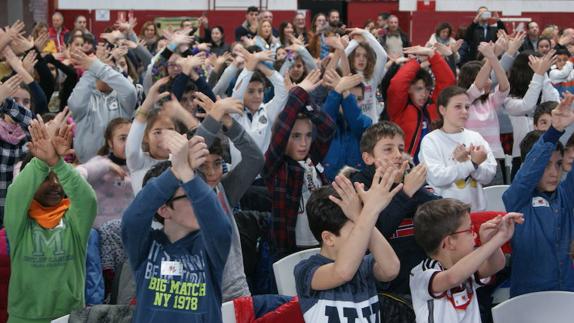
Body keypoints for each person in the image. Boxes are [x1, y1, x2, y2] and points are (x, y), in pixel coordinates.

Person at [121, 134, 232, 322]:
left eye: (198, 190)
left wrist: (187, 173)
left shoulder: (209, 247)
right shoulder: (146, 247)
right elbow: (132, 219)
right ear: (164, 209)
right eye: (190, 195)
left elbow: (220, 226)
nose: (199, 201)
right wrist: (175, 172)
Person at [4, 115, 97, 322]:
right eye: (46, 178)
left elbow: (88, 200)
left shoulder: (73, 219)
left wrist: (57, 163)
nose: (55, 184)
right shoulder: (19, 220)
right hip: (24, 317)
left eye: (58, 178)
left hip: (69, 316)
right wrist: (41, 162)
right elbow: (16, 194)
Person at [349, 121, 440, 322]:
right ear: (368, 158)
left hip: (423, 280)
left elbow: (441, 215)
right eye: (388, 149)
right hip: (386, 291)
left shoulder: (409, 181)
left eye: (400, 148)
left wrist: (408, 188)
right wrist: (405, 192)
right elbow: (374, 232)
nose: (398, 155)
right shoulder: (359, 187)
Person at [295, 168, 401, 322]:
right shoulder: (306, 270)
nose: (363, 234)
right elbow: (343, 272)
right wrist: (368, 212)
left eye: (363, 227)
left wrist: (360, 215)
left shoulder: (364, 265)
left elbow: (391, 268)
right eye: (356, 230)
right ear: (329, 238)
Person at [191, 94, 264, 301]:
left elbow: (255, 159)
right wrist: (215, 113)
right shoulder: (188, 193)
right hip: (205, 295)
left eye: (217, 163)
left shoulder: (223, 190)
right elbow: (188, 161)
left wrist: (228, 123)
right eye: (203, 166)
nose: (213, 172)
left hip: (238, 289)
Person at [502, 93, 574, 297]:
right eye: (546, 165)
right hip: (529, 298)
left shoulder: (566, 194)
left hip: (568, 293)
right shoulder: (516, 197)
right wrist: (554, 131)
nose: (554, 172)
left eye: (558, 164)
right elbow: (528, 174)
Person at [411, 198, 523, 323]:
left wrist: (490, 240)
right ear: (449, 242)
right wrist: (498, 240)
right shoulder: (421, 273)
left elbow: (496, 265)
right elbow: (452, 278)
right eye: (470, 230)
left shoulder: (466, 266)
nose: (474, 235)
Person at [262, 70, 336, 259]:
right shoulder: (276, 166)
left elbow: (327, 127)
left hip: (321, 243)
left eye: (308, 136)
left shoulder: (313, 158)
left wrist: (304, 101)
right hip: (289, 250)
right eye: (296, 136)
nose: (304, 143)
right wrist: (298, 93)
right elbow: (283, 126)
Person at [419, 86, 497, 211]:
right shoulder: (431, 140)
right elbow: (437, 178)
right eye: (458, 107)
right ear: (442, 110)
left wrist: (473, 165)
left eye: (467, 107)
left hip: (477, 211)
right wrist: (471, 164)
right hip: (446, 215)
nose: (464, 111)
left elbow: (489, 176)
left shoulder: (475, 137)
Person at [386, 46, 456, 161]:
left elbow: (448, 83)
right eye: (419, 89)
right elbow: (397, 85)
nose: (424, 94)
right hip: (405, 167)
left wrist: (432, 55)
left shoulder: (433, 108)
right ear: (408, 89)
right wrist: (416, 61)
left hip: (432, 168)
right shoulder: (399, 108)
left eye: (427, 89)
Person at [67, 48, 137, 163]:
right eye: (100, 68)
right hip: (87, 167)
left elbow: (130, 91)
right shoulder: (85, 96)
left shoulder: (123, 99)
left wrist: (96, 65)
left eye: (108, 70)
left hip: (121, 165)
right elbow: (75, 105)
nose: (104, 73)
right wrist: (91, 69)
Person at [321, 70, 372, 181]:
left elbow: (356, 122)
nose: (354, 102)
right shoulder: (329, 118)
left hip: (356, 183)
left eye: (358, 99)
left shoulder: (367, 122)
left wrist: (345, 93)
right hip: (328, 183)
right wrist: (338, 91)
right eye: (351, 97)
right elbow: (324, 121)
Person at [345, 28, 388, 123]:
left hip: (371, 126)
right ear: (351, 58)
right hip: (352, 126)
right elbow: (342, 57)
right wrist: (355, 42)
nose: (361, 59)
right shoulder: (345, 75)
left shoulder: (373, 75)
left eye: (365, 56)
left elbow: (383, 56)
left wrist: (365, 33)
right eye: (357, 55)